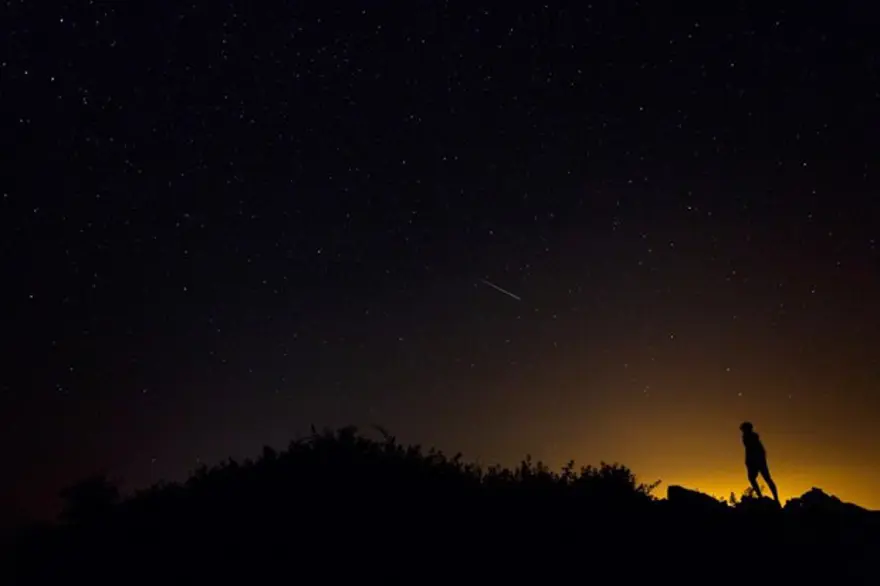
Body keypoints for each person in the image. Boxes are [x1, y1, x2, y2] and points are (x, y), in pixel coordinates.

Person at [740, 421, 779, 503]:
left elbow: (755, 450)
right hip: (754, 461)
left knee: (765, 479)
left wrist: (756, 461)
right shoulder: (749, 437)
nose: (743, 431)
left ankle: (773, 498)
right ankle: (765, 497)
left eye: (743, 429)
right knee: (756, 479)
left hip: (756, 461)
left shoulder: (751, 438)